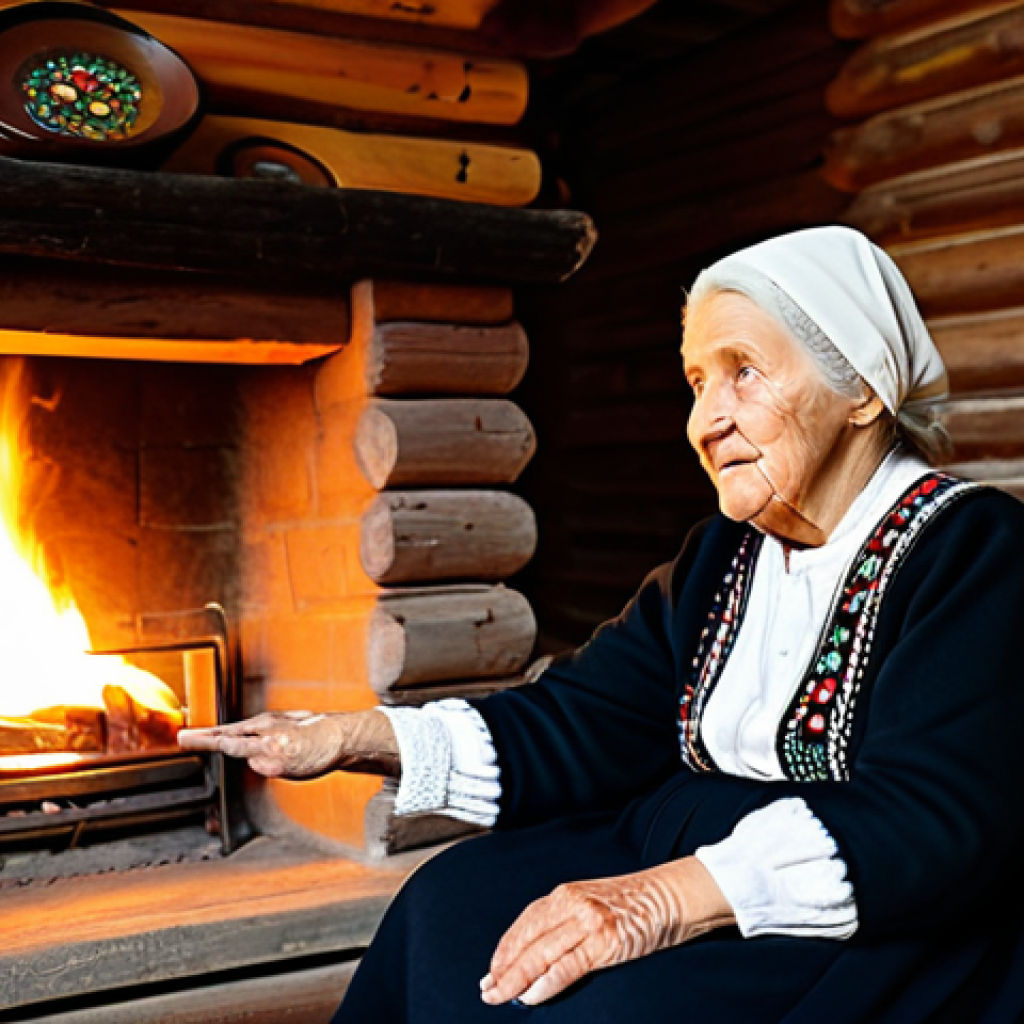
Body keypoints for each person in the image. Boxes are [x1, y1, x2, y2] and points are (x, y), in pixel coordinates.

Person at [179, 226, 1024, 1023]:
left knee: (585, 1008)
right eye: (697, 382)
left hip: (866, 904)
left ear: (863, 392)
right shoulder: (722, 556)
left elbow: (937, 817)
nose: (706, 421)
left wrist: (659, 901)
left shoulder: (972, 549)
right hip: (683, 843)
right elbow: (587, 716)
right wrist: (356, 737)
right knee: (445, 904)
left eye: (745, 373)